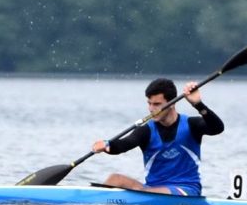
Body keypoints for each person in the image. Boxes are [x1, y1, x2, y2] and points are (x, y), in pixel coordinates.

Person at [91, 78, 224, 196]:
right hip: (152, 189)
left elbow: (217, 128)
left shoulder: (191, 125)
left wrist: (198, 104)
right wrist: (107, 144)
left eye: (156, 104)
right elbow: (125, 144)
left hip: (185, 190)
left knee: (146, 192)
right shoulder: (146, 130)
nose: (150, 109)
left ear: (172, 103)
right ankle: (94, 201)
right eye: (149, 103)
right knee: (115, 179)